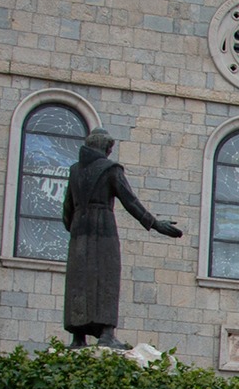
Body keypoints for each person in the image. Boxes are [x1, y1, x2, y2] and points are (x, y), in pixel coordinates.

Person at [61, 129, 183, 348]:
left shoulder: (74, 171)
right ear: (106, 148)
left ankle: (78, 337)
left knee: (79, 280)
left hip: (79, 233)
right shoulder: (110, 169)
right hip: (103, 230)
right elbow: (131, 202)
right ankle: (107, 334)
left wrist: (77, 228)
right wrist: (155, 224)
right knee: (106, 275)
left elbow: (66, 210)